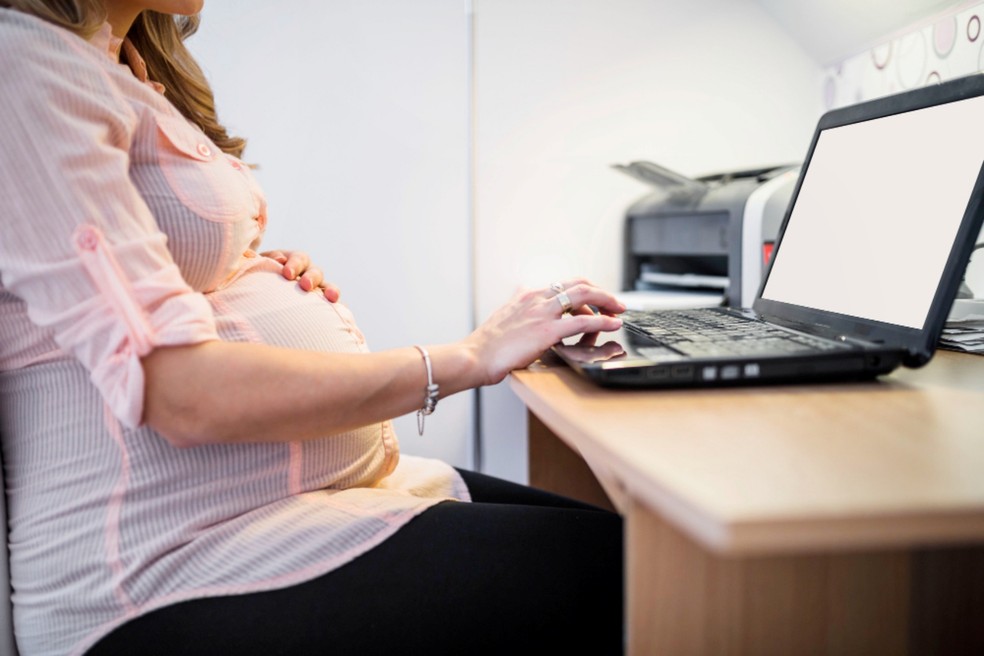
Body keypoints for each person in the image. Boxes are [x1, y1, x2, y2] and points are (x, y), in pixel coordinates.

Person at [0, 1, 627, 654]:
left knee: (642, 553)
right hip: (164, 565)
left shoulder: (120, 59)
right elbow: (179, 392)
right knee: (627, 580)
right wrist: (469, 356)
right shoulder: (25, 65)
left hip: (297, 504)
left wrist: (242, 270)